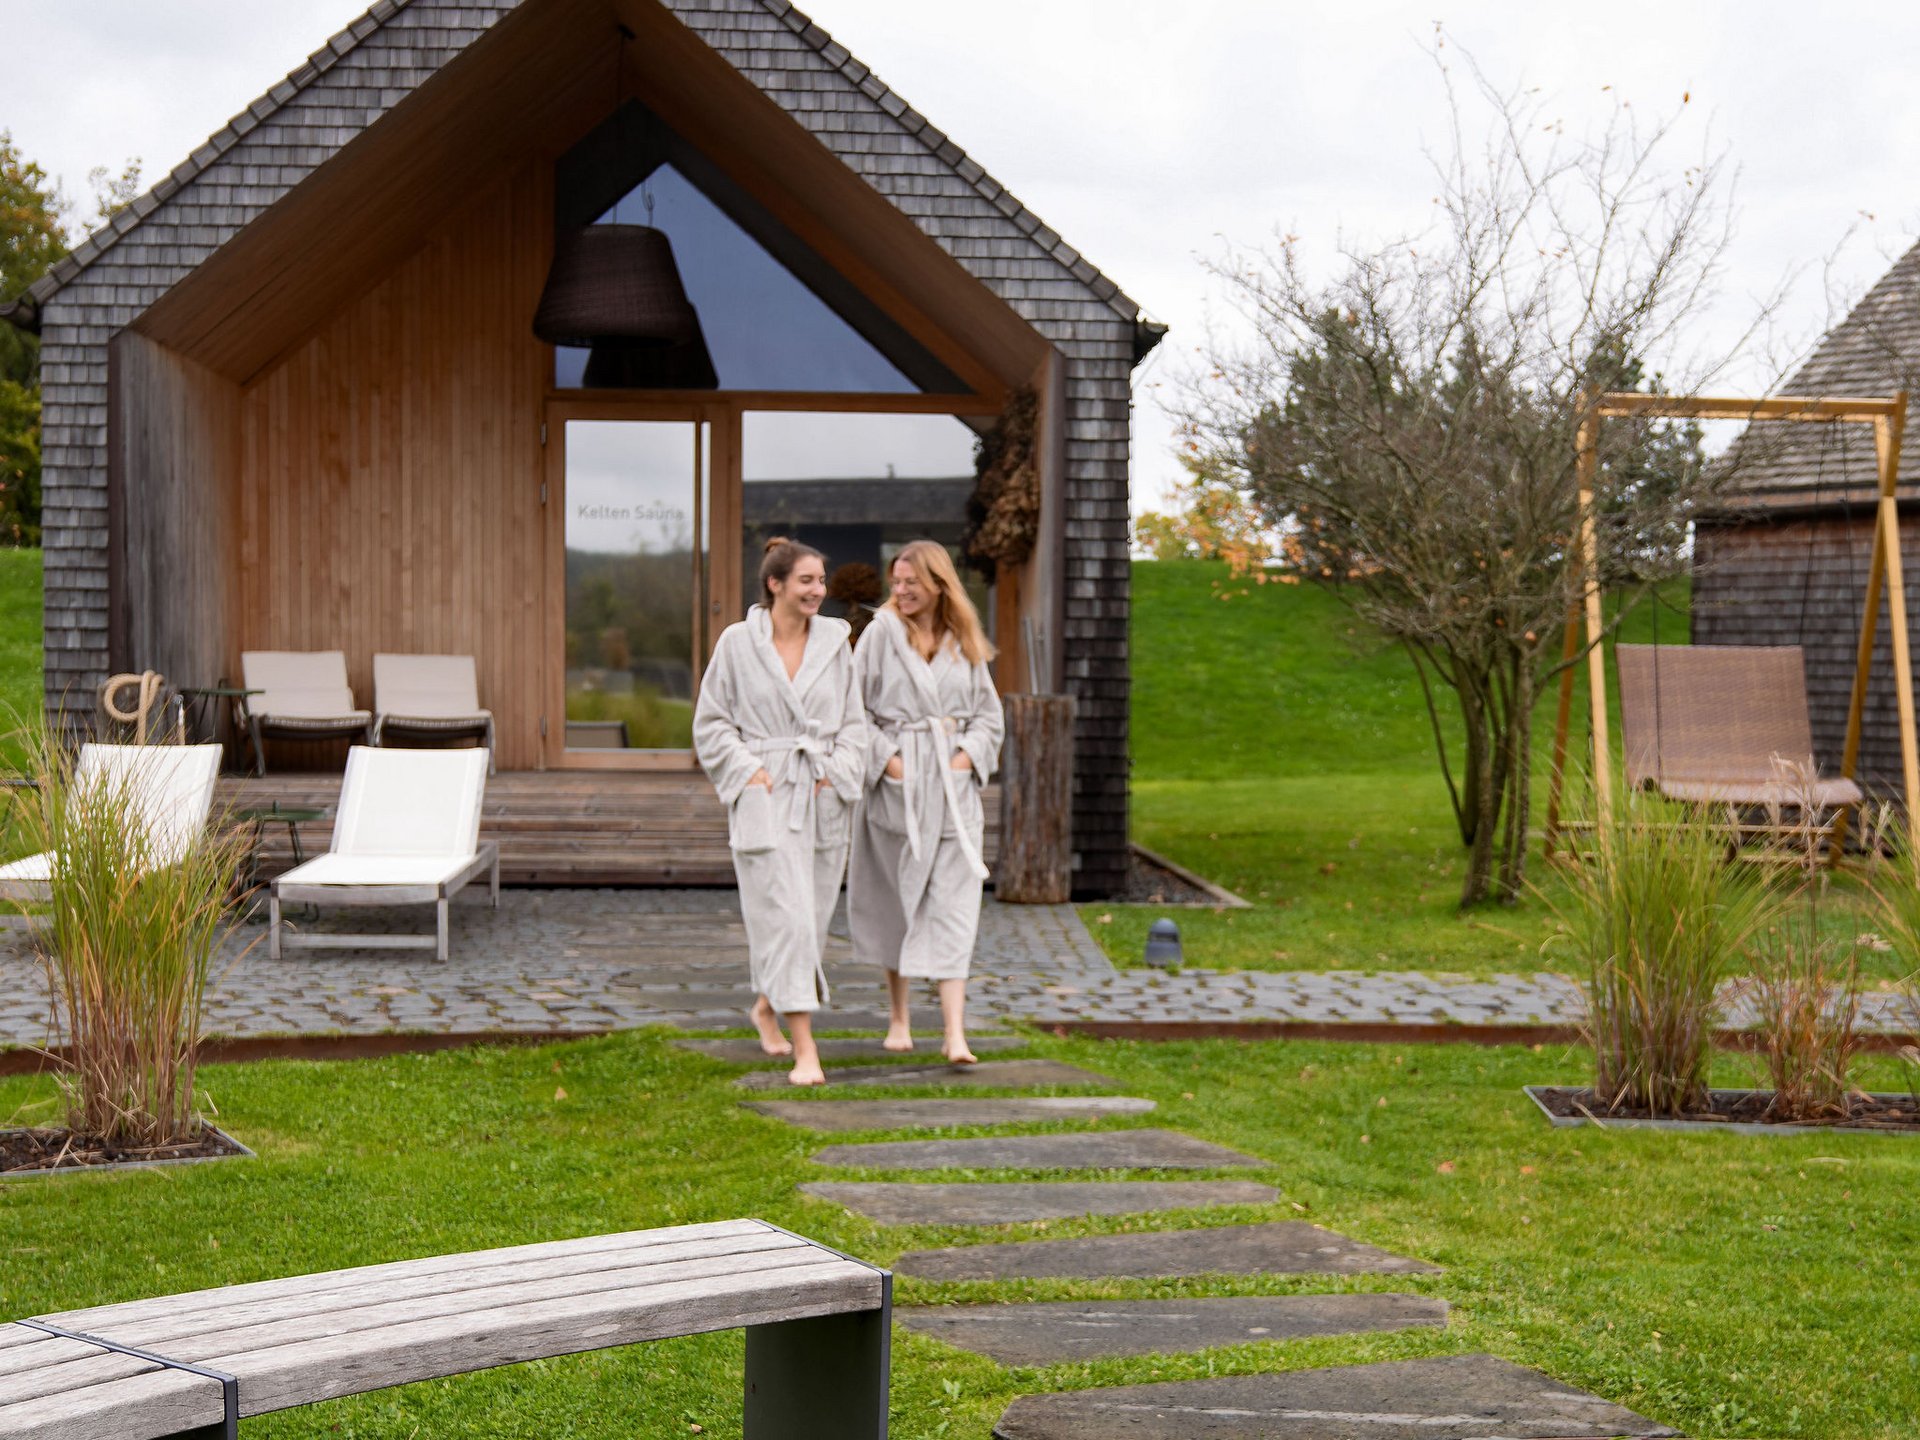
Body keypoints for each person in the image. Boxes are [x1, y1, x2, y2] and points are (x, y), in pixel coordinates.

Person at [694, 537, 867, 1086]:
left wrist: (835, 773)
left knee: (808, 924)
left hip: (819, 795)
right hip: (766, 795)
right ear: (776, 585)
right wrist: (749, 771)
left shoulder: (836, 645)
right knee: (786, 918)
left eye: (821, 581)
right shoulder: (738, 644)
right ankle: (806, 1049)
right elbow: (712, 721)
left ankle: (766, 1007)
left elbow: (854, 723)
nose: (819, 590)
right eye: (807, 581)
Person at [847, 540, 1004, 1064]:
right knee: (898, 899)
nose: (902, 590)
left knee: (956, 906)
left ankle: (956, 1031)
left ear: (939, 584)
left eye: (912, 582)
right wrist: (891, 764)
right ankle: (899, 1016)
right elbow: (854, 712)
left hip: (954, 795)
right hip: (901, 788)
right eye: (897, 581)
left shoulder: (964, 640)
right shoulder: (878, 636)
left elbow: (989, 716)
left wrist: (963, 762)